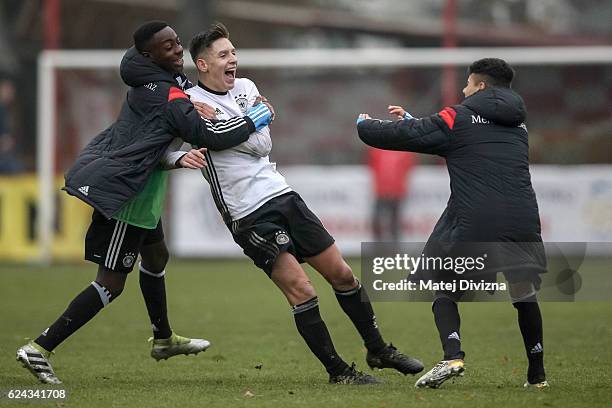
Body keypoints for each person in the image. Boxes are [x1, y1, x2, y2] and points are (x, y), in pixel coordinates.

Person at [16, 20, 273, 385]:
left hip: (145, 188)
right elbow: (204, 136)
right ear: (148, 55)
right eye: (167, 47)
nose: (176, 50)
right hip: (130, 195)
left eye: (176, 42)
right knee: (111, 283)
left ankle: (164, 339)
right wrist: (257, 117)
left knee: (156, 256)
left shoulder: (168, 82)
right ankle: (39, 347)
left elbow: (154, 140)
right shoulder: (164, 93)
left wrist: (176, 153)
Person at [172, 22, 424, 385]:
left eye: (234, 53)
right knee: (302, 289)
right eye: (224, 55)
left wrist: (230, 129)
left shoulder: (245, 88)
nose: (233, 60)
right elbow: (236, 135)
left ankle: (379, 349)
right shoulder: (192, 105)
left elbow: (263, 145)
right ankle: (339, 372)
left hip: (283, 194)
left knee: (343, 274)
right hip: (247, 213)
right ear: (203, 64)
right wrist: (249, 121)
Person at [357, 58, 548, 389]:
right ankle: (537, 375)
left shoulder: (457, 115)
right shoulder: (519, 123)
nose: (464, 89)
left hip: (476, 219)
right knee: (523, 292)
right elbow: (467, 141)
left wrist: (365, 125)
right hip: (523, 219)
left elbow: (421, 135)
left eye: (468, 84)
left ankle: (453, 356)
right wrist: (418, 122)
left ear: (481, 86)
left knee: (444, 289)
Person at [367, 143, 416, 242]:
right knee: (377, 221)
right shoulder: (377, 150)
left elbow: (408, 169)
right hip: (381, 192)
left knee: (395, 222)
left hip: (397, 192)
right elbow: (372, 166)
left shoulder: (405, 150)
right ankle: (378, 245)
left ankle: (394, 247)